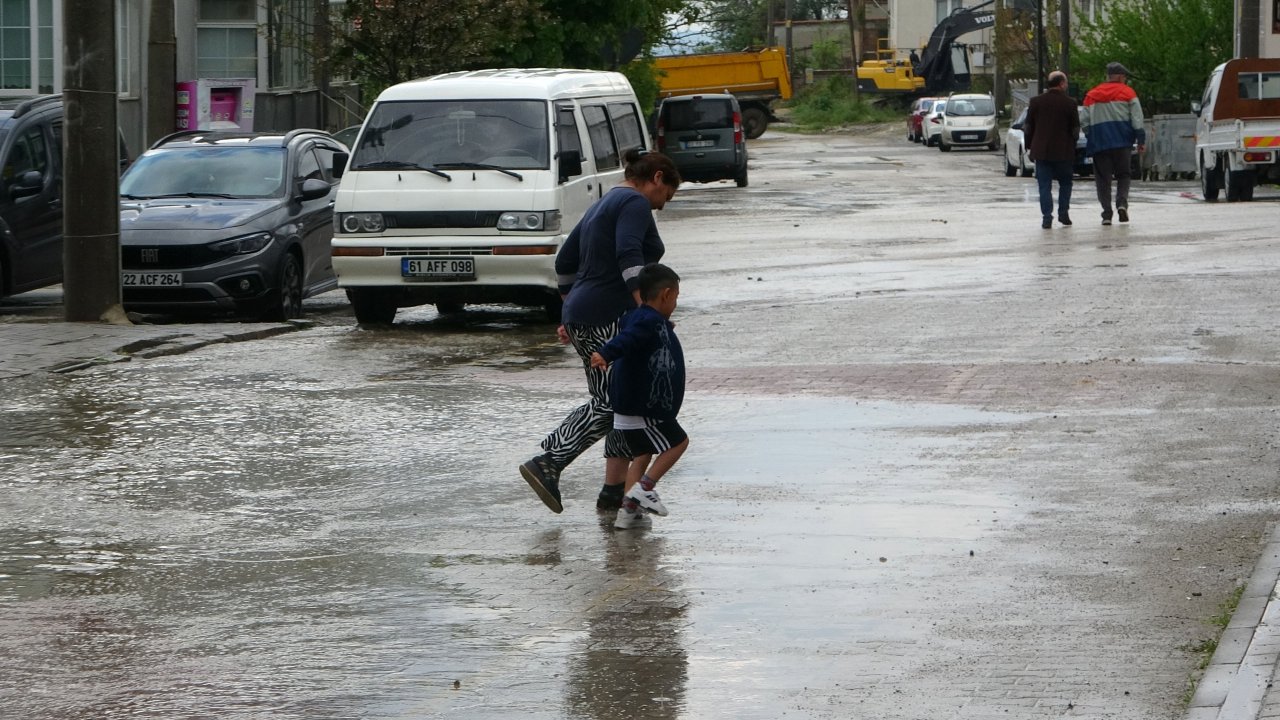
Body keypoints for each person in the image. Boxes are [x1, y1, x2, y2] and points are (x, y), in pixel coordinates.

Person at [519, 150, 681, 515]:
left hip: (584, 312)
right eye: (665, 196)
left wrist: (569, 308)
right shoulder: (634, 203)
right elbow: (628, 255)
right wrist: (644, 310)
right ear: (657, 177)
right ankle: (549, 461)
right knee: (612, 404)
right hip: (607, 313)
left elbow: (564, 263)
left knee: (617, 403)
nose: (661, 207)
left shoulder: (605, 201)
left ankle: (612, 491)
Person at [589, 263, 688, 530]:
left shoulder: (640, 319)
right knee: (678, 443)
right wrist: (606, 353)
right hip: (646, 407)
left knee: (642, 455)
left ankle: (628, 512)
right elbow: (628, 340)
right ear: (666, 294)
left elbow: (637, 338)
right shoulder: (647, 323)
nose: (676, 303)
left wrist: (664, 330)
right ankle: (645, 488)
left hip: (629, 408)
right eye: (676, 298)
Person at [1082, 61, 1145, 225]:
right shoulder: (1128, 93)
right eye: (1124, 77)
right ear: (1119, 76)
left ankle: (1107, 214)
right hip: (1122, 143)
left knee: (1103, 179)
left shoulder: (1092, 95)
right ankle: (1122, 203)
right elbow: (1137, 119)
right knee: (1124, 175)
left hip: (1100, 144)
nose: (1125, 80)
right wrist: (1140, 139)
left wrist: (1092, 136)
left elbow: (1084, 122)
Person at [1024, 70, 1080, 229]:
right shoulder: (1070, 103)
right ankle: (1063, 213)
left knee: (1044, 186)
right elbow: (1075, 130)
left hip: (1041, 151)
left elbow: (1028, 127)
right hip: (1064, 152)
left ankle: (1047, 217)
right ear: (1062, 84)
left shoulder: (1035, 102)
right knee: (1066, 184)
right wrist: (1073, 146)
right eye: (1066, 83)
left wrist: (1030, 146)